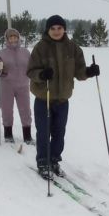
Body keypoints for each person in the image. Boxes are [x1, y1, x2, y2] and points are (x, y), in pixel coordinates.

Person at [27, 15, 100, 180]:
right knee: (44, 132)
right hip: (43, 98)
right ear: (48, 30)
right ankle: (43, 162)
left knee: (59, 133)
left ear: (64, 29)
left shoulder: (73, 48)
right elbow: (30, 71)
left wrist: (89, 71)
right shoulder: (40, 48)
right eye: (52, 28)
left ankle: (54, 160)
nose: (56, 31)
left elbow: (79, 72)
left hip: (62, 99)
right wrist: (41, 74)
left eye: (59, 28)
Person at [0, 28, 33, 144]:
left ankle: (27, 136)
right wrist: (0, 70)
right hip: (6, 86)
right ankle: (8, 135)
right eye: (10, 37)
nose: (13, 39)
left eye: (15, 37)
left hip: (23, 85)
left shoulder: (25, 52)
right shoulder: (1, 53)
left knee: (25, 110)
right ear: (7, 39)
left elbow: (32, 68)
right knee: (7, 110)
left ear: (19, 38)